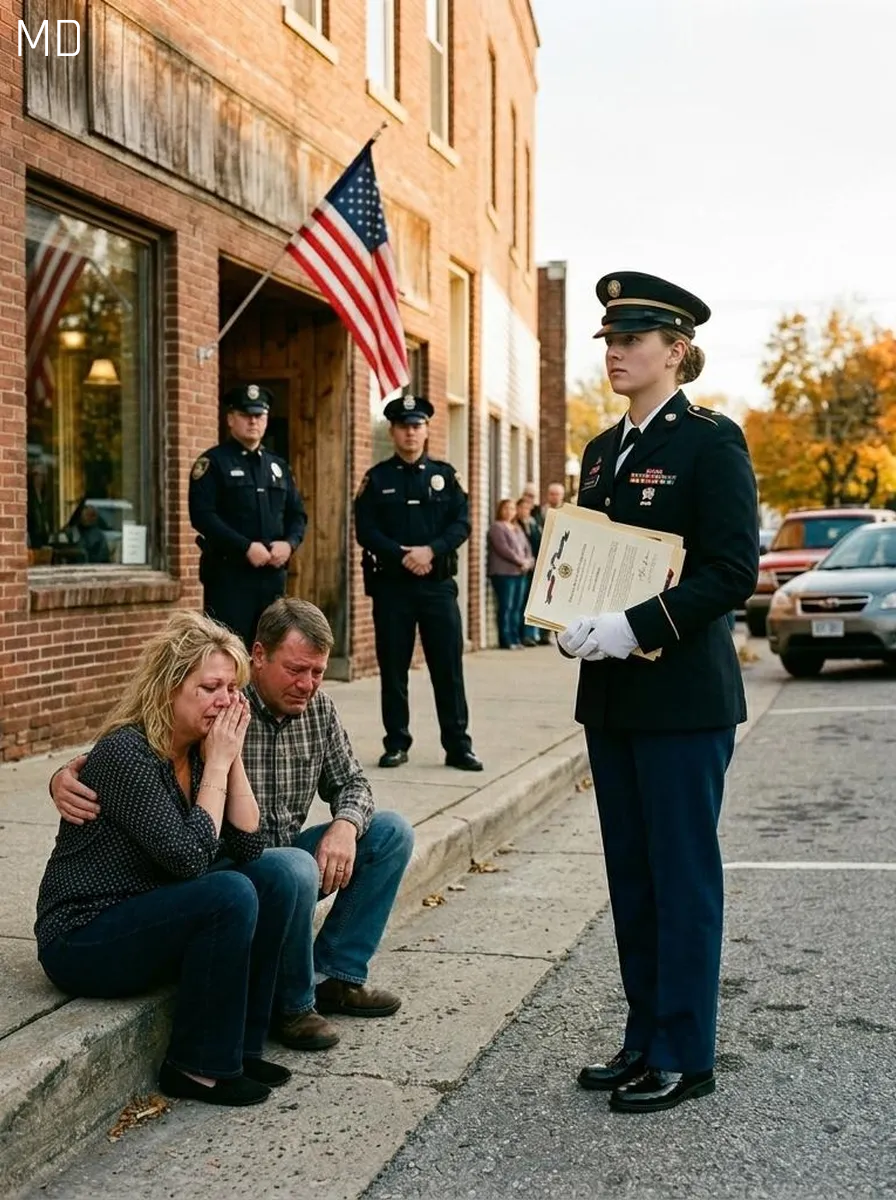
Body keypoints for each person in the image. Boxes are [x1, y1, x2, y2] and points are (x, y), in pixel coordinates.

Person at [561, 272, 759, 1114]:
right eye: (608, 339)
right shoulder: (602, 452)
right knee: (633, 877)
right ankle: (645, 1036)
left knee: (680, 877)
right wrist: (568, 616)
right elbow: (587, 556)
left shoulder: (711, 442)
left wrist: (635, 625)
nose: (614, 353)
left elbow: (730, 573)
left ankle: (686, 1051)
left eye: (631, 340)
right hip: (614, 699)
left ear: (675, 351)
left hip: (680, 698)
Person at [51, 598, 414, 1053]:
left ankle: (336, 976)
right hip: (222, 868)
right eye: (296, 670)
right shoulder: (212, 713)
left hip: (269, 858)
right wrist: (63, 775)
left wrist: (344, 824)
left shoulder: (312, 711)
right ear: (259, 656)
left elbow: (351, 785)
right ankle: (293, 1006)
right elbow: (132, 750)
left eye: (318, 673)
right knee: (290, 868)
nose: (307, 685)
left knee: (388, 832)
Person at [35, 611, 302, 1107]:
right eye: (210, 687)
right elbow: (187, 861)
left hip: (147, 909)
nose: (225, 701)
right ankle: (196, 1067)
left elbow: (248, 846)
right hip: (84, 936)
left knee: (273, 877)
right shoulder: (127, 753)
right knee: (228, 892)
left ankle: (239, 1048)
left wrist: (230, 757)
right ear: (168, 688)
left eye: (231, 688)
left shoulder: (199, 749)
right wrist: (219, 763)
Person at [354, 395, 483, 772]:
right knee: (393, 670)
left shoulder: (445, 475)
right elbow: (366, 529)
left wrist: (430, 550)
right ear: (393, 431)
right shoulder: (377, 479)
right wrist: (401, 554)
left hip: (438, 586)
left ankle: (458, 745)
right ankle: (396, 742)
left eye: (417, 425)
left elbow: (462, 522)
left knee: (448, 669)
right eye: (404, 426)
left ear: (426, 430)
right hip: (393, 588)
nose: (411, 432)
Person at [189, 383, 308, 650]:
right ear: (231, 419)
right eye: (246, 415)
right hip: (229, 577)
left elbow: (297, 514)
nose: (253, 421)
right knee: (229, 652)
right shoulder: (213, 463)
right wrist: (245, 547)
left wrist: (289, 543)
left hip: (272, 578)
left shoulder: (277, 466)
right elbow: (202, 516)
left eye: (259, 415)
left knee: (270, 651)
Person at [486, 499, 531, 650]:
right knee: (507, 607)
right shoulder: (497, 527)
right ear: (500, 510)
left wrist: (529, 562)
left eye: (512, 509)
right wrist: (521, 562)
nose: (509, 511)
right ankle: (506, 640)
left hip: (520, 574)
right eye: (506, 508)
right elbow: (503, 549)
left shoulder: (517, 528)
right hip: (504, 574)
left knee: (517, 608)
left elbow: (527, 548)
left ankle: (515, 638)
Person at [515, 494, 542, 646]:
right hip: (523, 568)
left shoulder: (533, 524)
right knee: (521, 603)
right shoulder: (516, 524)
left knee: (532, 604)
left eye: (528, 508)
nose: (526, 511)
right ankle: (522, 635)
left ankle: (531, 635)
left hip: (535, 567)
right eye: (523, 508)